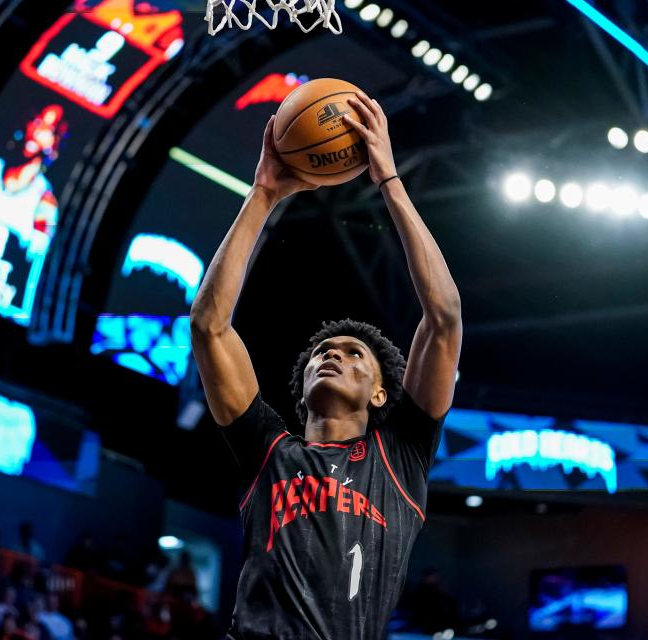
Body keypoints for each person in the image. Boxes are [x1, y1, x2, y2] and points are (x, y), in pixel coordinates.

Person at [189, 94, 462, 640]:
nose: (330, 354)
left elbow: (444, 317)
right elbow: (208, 326)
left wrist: (388, 178)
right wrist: (264, 193)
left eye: (353, 354)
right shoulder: (268, 450)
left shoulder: (400, 456)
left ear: (382, 395)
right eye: (321, 353)